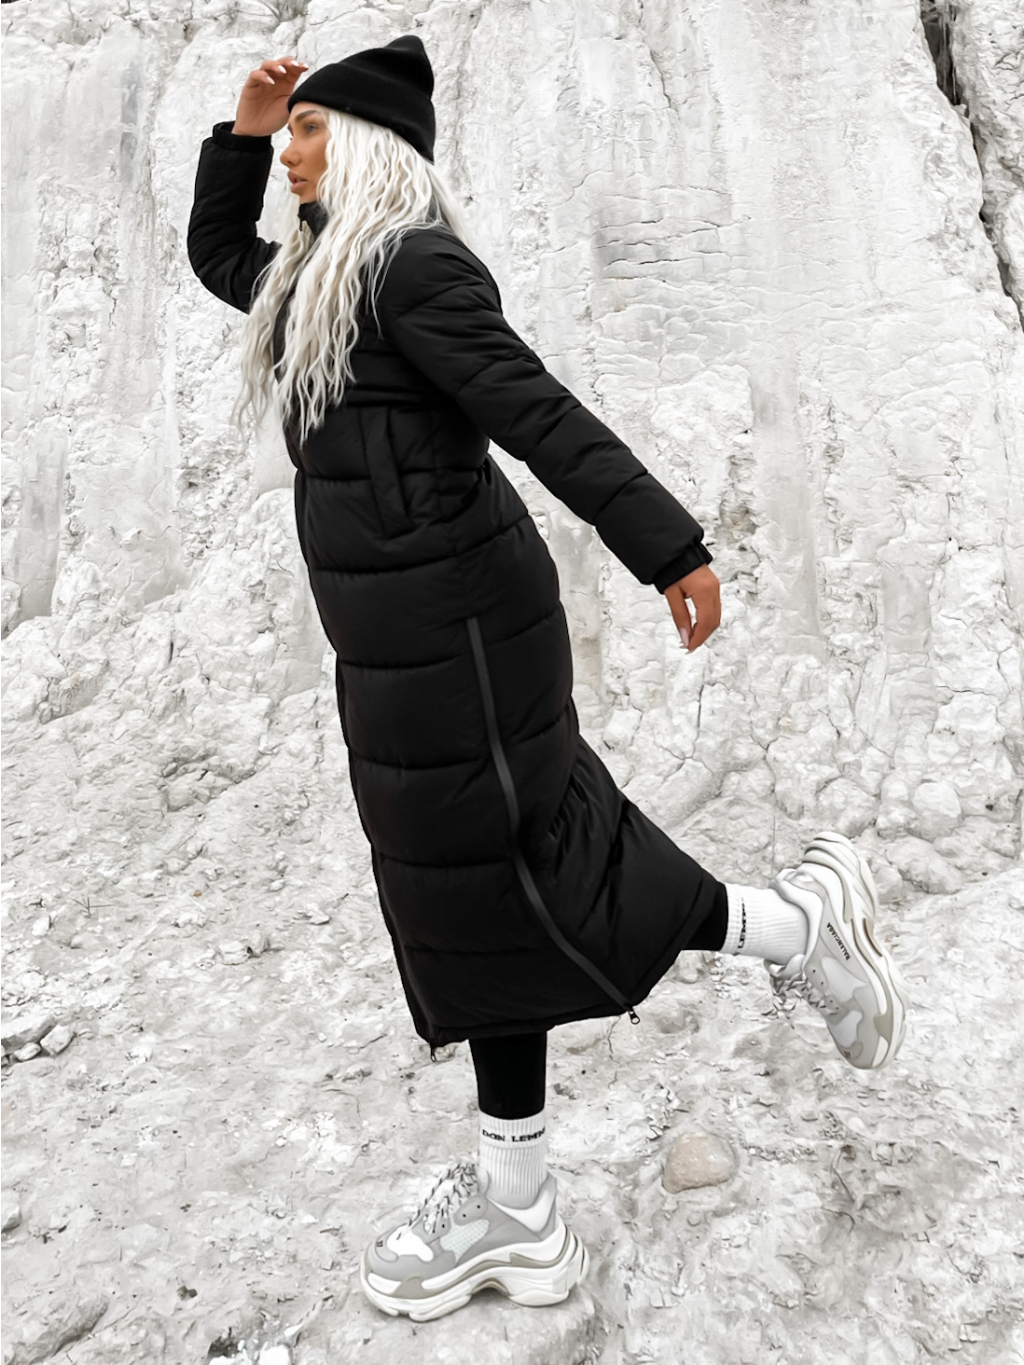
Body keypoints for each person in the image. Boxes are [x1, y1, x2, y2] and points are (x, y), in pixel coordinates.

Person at [187, 36, 909, 1324]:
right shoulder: (312, 278)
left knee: (522, 872)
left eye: (306, 129)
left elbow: (538, 411)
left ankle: (783, 942)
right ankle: (529, 1195)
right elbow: (213, 257)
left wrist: (667, 545)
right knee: (469, 897)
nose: (290, 150)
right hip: (394, 647)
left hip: (465, 634)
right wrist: (239, 132)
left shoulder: (410, 269)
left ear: (366, 145)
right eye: (286, 134)